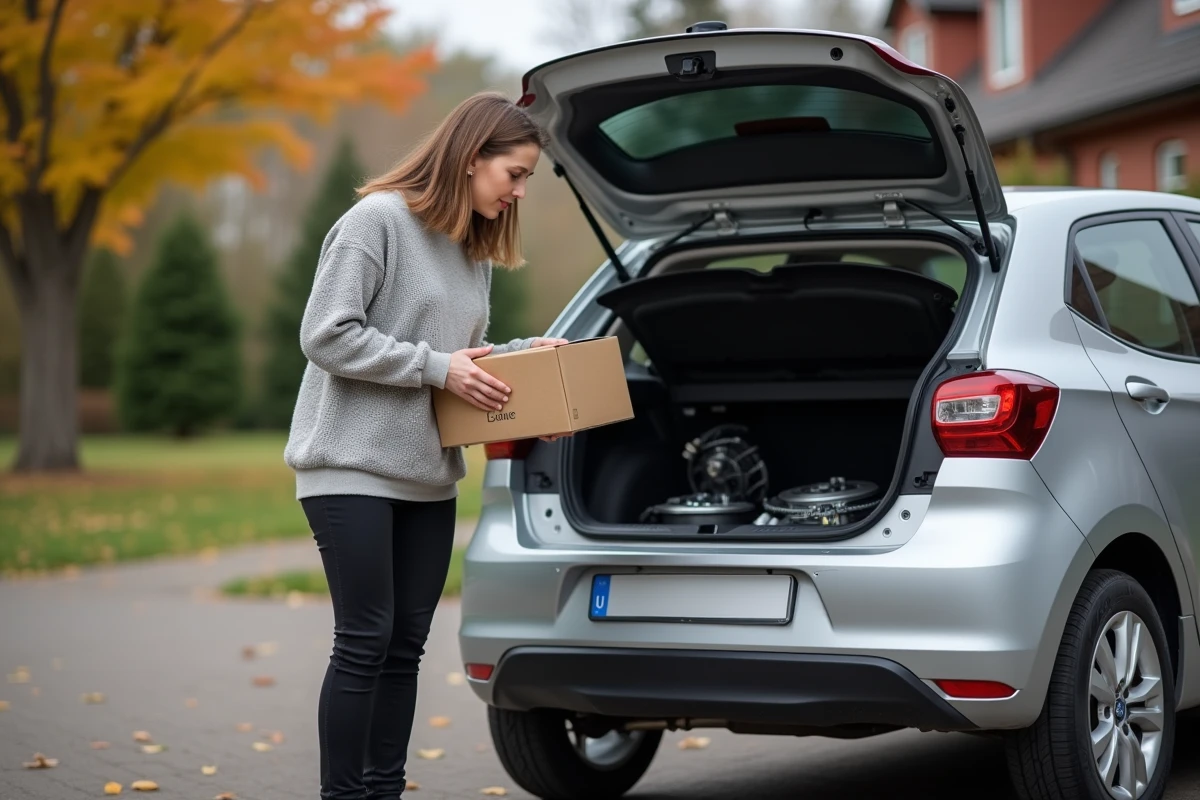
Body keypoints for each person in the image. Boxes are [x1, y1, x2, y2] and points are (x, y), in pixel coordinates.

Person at [283, 91, 566, 800]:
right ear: (473, 159)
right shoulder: (375, 221)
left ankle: (385, 790)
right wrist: (438, 367)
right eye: (516, 174)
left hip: (427, 474)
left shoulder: (472, 248)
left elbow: (460, 358)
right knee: (365, 640)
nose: (520, 191)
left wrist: (533, 359)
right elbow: (325, 333)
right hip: (348, 466)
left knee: (405, 649)